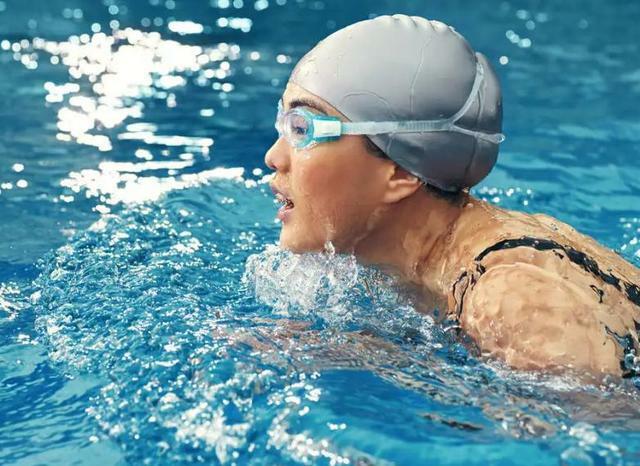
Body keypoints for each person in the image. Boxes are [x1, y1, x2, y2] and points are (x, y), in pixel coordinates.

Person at [263, 14, 640, 377]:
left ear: (401, 171)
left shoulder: (511, 296)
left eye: (302, 129)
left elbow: (597, 412)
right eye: (283, 124)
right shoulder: (431, 261)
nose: (273, 157)